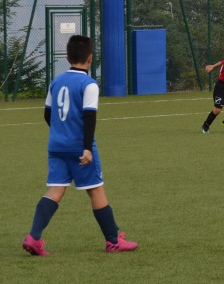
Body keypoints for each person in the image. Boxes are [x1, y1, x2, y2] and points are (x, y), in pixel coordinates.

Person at [22, 35, 138, 256]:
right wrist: (86, 148)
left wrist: (61, 133)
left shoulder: (56, 82)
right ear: (90, 58)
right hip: (79, 148)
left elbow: (47, 114)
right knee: (96, 190)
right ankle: (113, 241)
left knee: (56, 189)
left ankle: (33, 237)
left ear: (67, 58)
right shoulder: (89, 84)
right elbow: (89, 117)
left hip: (56, 146)